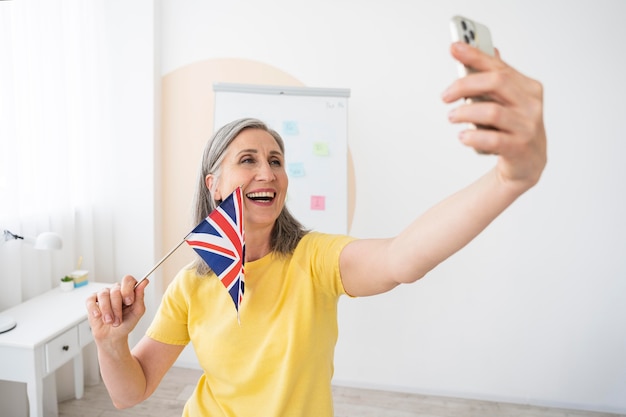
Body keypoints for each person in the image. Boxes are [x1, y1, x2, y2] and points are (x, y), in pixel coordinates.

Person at [86, 41, 547, 417]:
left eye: (276, 161)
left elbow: (401, 259)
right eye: (248, 161)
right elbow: (132, 392)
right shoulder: (190, 284)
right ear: (215, 185)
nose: (267, 173)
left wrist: (510, 179)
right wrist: (111, 343)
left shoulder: (313, 258)